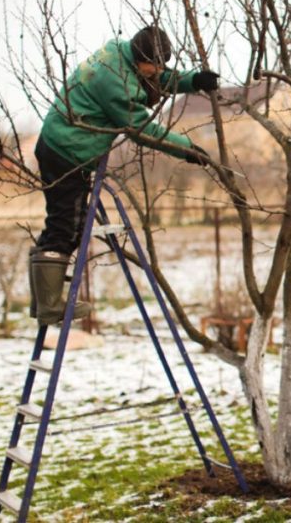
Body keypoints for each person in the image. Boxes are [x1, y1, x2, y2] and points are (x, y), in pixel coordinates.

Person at [30, 25, 219, 325]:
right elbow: (142, 130)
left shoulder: (121, 53)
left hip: (61, 144)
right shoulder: (116, 84)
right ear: (141, 57)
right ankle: (50, 305)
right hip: (67, 152)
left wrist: (193, 80)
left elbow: (151, 79)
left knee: (62, 222)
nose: (158, 71)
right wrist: (187, 149)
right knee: (66, 226)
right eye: (154, 65)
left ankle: (41, 302)